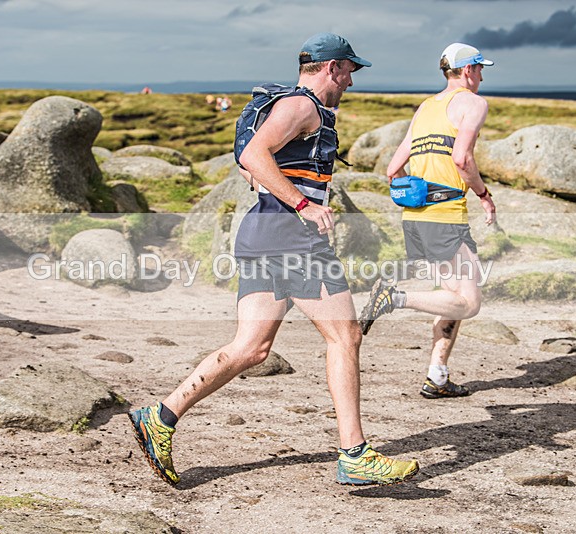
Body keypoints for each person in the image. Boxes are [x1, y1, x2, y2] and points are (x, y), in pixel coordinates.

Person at [130, 32, 419, 487]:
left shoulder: (304, 110)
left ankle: (160, 416)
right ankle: (355, 453)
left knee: (251, 348)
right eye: (348, 71)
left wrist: (283, 191)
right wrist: (303, 205)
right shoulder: (301, 107)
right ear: (331, 68)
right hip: (293, 239)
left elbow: (253, 166)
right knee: (345, 337)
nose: (350, 81)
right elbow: (251, 154)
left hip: (265, 234)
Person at [358, 42, 497, 399]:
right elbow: (463, 158)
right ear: (468, 70)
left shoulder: (425, 108)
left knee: (451, 297)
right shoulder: (474, 103)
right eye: (480, 69)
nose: (481, 76)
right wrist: (483, 195)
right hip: (446, 217)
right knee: (470, 302)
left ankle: (437, 375)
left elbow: (393, 169)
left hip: (415, 219)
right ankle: (394, 297)